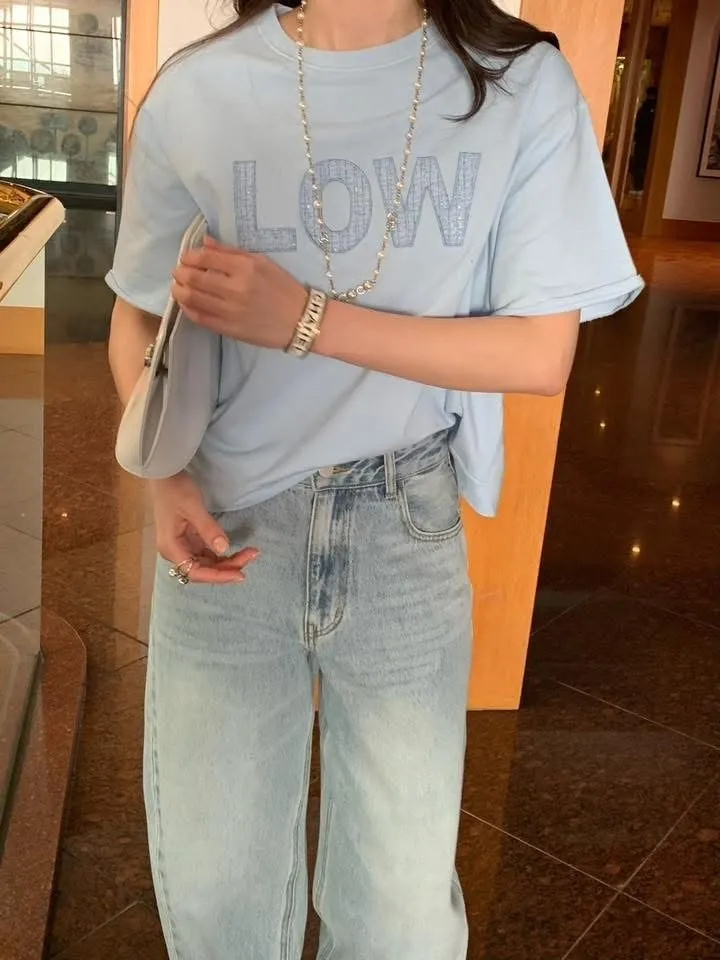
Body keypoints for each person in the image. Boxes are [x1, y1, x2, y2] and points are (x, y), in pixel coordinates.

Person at [107, 1, 643, 957]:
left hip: (403, 523)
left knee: (399, 914)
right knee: (216, 893)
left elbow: (540, 354)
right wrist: (166, 479)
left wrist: (305, 319)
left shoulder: (516, 84)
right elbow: (141, 314)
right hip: (226, 523)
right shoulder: (198, 89)